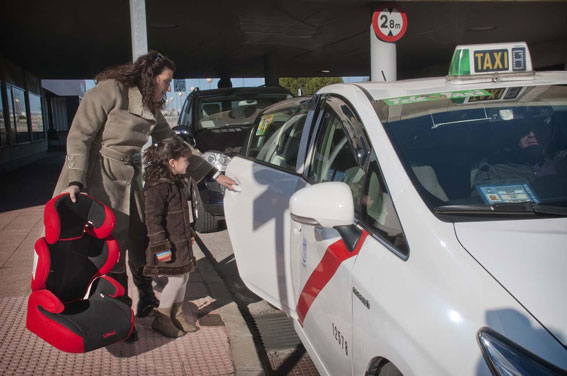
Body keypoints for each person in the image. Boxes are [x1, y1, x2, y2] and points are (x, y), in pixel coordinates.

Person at [54, 51, 236, 342]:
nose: (168, 87)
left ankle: (147, 298)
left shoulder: (151, 107)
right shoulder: (110, 90)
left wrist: (213, 174)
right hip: (100, 177)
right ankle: (118, 314)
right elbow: (80, 135)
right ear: (149, 76)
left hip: (130, 178)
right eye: (165, 81)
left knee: (141, 240)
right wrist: (75, 179)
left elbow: (174, 144)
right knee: (112, 247)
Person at [142, 137, 197, 337]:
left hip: (180, 242)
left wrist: (188, 233)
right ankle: (162, 318)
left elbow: (181, 216)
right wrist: (160, 245)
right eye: (185, 160)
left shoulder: (176, 182)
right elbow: (153, 219)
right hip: (168, 245)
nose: (188, 163)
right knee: (175, 280)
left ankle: (177, 314)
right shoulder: (158, 186)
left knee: (184, 276)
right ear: (172, 162)